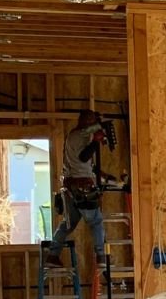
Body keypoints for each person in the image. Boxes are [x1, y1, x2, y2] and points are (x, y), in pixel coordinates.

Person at [42, 112, 116, 267]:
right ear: (87, 122)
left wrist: (106, 177)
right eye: (93, 123)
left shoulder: (74, 136)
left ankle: (52, 255)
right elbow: (84, 157)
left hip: (71, 187)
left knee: (68, 224)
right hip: (82, 187)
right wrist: (95, 142)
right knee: (96, 221)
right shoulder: (80, 136)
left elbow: (87, 166)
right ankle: (101, 256)